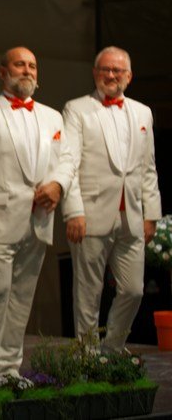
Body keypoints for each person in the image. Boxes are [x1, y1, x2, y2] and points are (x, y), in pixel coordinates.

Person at [0, 47, 74, 392]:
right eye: (20, 64)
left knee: (21, 299)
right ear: (3, 72)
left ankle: (8, 369)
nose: (27, 70)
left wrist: (57, 185)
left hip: (38, 220)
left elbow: (67, 160)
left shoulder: (53, 117)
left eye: (32, 65)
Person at [62, 46, 162, 351]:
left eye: (117, 70)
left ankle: (112, 349)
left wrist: (151, 213)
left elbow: (148, 167)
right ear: (95, 73)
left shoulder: (143, 112)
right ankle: (87, 356)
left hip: (130, 215)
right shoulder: (77, 109)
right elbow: (69, 163)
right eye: (105, 69)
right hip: (90, 214)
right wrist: (73, 211)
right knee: (88, 293)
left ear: (128, 76)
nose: (110, 75)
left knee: (133, 290)